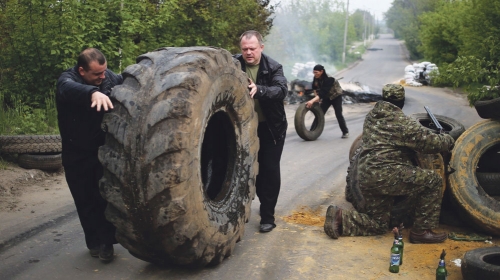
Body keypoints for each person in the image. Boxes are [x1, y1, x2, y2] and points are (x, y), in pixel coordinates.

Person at [324, 84, 455, 243]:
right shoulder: (402, 122)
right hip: (386, 175)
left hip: (365, 175)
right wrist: (447, 139)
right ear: (402, 101)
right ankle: (421, 231)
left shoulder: (372, 116)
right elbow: (430, 144)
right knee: (433, 181)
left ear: (384, 98)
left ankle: (339, 217)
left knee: (378, 224)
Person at [56, 48, 123, 261]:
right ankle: (93, 242)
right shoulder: (67, 80)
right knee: (84, 199)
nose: (102, 77)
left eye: (104, 72)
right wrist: (92, 92)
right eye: (97, 74)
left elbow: (127, 83)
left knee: (103, 197)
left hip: (102, 150)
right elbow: (68, 88)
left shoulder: (108, 77)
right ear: (82, 70)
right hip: (75, 153)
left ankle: (106, 244)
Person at [234, 30, 288, 233]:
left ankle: (267, 216)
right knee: (241, 169)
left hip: (271, 128)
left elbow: (281, 90)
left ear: (261, 48)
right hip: (243, 128)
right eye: (245, 49)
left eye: (252, 48)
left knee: (269, 170)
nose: (248, 52)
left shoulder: (273, 67)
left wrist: (261, 90)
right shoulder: (234, 63)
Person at [305, 64, 349, 138]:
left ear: (321, 71)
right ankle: (312, 131)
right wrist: (316, 99)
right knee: (319, 114)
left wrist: (312, 101)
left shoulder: (329, 79)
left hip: (336, 96)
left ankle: (345, 132)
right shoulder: (316, 77)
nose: (315, 74)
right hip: (327, 97)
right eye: (314, 72)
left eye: (316, 72)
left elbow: (322, 93)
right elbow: (315, 88)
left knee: (338, 114)